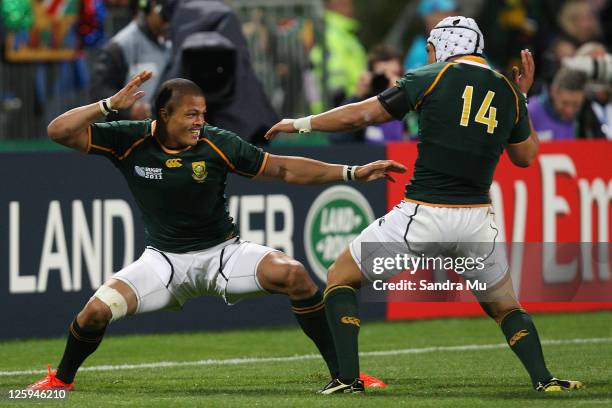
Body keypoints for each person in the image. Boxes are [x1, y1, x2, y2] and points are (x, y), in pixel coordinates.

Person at [26, 72, 405, 391]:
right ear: (164, 114)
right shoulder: (130, 138)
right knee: (93, 313)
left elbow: (284, 168)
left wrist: (353, 172)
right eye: (190, 114)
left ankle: (345, 374)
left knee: (293, 274)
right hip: (163, 262)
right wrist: (109, 104)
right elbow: (59, 131)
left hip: (223, 255)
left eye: (203, 114)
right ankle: (60, 381)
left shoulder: (217, 143)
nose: (199, 122)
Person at [265, 16, 583, 394]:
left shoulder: (432, 76)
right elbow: (527, 156)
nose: (429, 55)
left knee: (340, 276)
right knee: (505, 307)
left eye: (433, 48)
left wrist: (302, 123)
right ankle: (544, 380)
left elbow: (365, 113)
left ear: (447, 45)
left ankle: (347, 380)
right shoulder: (506, 89)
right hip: (477, 222)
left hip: (425, 213)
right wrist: (522, 100)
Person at [90, 0, 176, 121]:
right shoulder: (120, 45)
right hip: (131, 134)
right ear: (149, 6)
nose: (169, 22)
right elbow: (99, 92)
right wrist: (130, 110)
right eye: (165, 15)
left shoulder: (172, 42)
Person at [528, 68, 587, 140]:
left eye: (576, 105)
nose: (569, 111)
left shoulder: (587, 116)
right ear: (553, 92)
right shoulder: (529, 111)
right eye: (564, 103)